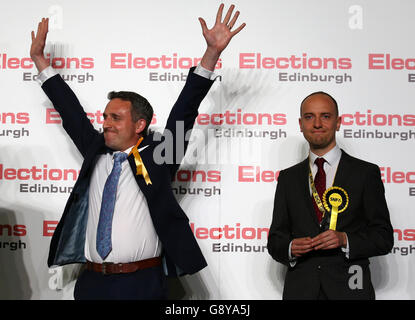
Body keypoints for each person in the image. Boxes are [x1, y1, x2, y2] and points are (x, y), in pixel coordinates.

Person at [30, 4, 245, 300]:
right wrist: (40, 60)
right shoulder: (95, 150)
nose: (105, 123)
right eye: (105, 117)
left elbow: (185, 111)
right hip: (91, 282)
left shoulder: (159, 155)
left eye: (115, 118)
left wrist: (211, 55)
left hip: (140, 285)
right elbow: (69, 110)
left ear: (140, 124)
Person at [267, 91, 394, 300]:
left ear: (338, 122)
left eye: (325, 116)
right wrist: (290, 247)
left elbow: (383, 237)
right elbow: (275, 240)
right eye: (309, 117)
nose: (317, 123)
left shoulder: (365, 173)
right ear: (300, 124)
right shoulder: (288, 178)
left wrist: (345, 239)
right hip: (301, 292)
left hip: (350, 290)